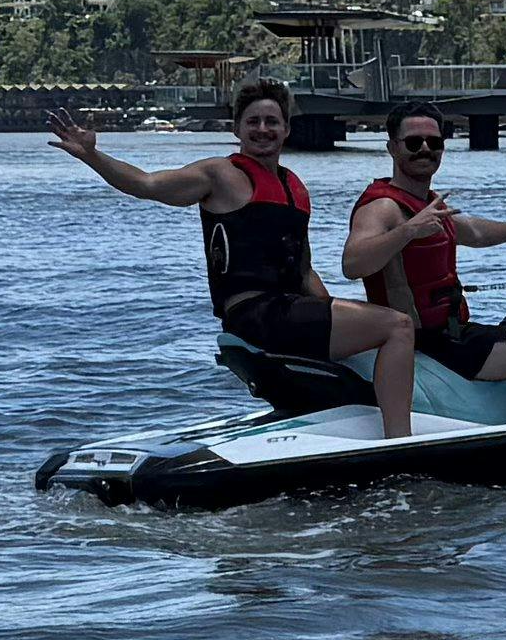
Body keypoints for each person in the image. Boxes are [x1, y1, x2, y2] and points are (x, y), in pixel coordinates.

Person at [49, 80, 415, 438]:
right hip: (255, 315)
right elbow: (146, 184)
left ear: (286, 129)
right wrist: (93, 156)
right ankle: (400, 439)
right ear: (237, 127)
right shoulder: (221, 174)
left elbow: (304, 271)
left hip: (290, 312)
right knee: (397, 326)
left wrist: (336, 312)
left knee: (377, 329)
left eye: (272, 121)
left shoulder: (295, 187)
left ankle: (337, 418)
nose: (262, 129)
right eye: (252, 121)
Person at [345, 105, 506, 424]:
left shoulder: (428, 203)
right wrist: (408, 230)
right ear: (392, 148)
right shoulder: (382, 207)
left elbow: (474, 231)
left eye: (433, 142)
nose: (424, 149)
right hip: (427, 339)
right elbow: (352, 263)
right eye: (413, 143)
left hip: (450, 332)